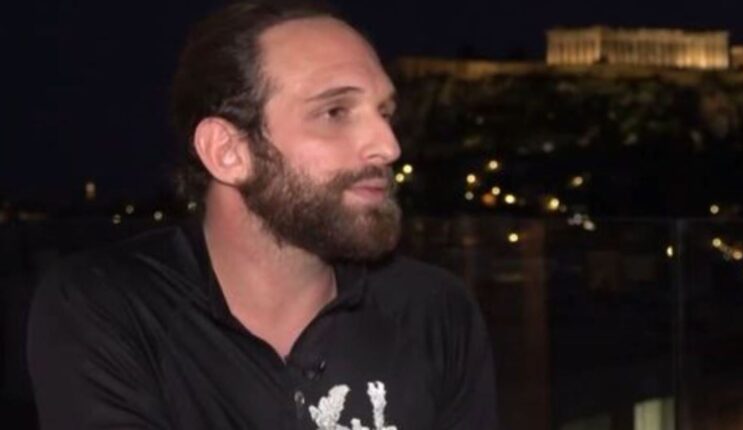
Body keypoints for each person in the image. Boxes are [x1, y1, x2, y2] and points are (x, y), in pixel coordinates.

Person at [27, 1, 498, 429]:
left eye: (385, 113)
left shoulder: (433, 313)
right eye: (335, 112)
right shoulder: (111, 308)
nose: (388, 146)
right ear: (228, 152)